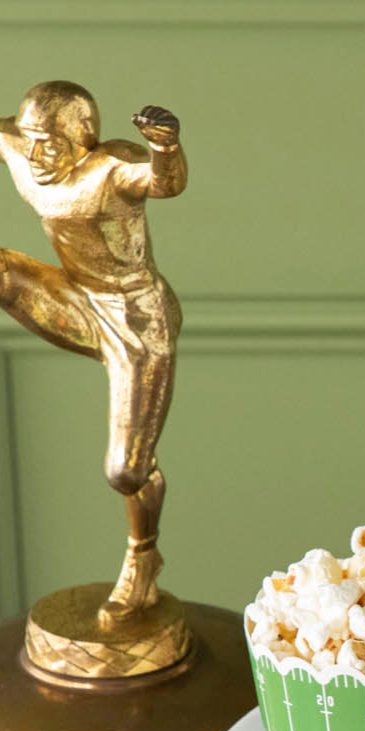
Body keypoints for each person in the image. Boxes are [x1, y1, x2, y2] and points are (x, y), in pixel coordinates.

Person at [0, 80, 186, 622]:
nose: (37, 156)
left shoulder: (111, 170)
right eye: (30, 140)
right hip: (73, 298)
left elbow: (161, 182)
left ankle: (143, 560)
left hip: (135, 316)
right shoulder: (18, 144)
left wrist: (166, 148)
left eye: (52, 145)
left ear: (82, 143)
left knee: (126, 472)